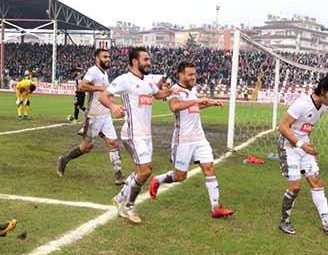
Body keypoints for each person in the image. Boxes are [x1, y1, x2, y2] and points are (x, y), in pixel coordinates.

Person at [149, 62, 234, 218]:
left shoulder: (192, 90)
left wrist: (210, 103)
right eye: (190, 74)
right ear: (181, 75)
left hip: (199, 138)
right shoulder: (174, 91)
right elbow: (175, 107)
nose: (193, 77)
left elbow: (194, 107)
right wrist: (197, 101)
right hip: (183, 140)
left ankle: (216, 208)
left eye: (194, 74)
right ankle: (157, 179)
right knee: (180, 176)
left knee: (209, 168)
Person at [99, 47, 173, 223]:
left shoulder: (148, 80)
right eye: (145, 60)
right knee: (145, 171)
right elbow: (104, 96)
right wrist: (113, 107)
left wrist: (171, 90)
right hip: (132, 133)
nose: (149, 62)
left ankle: (119, 198)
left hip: (146, 134)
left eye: (149, 59)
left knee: (140, 171)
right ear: (134, 62)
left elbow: (159, 95)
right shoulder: (124, 80)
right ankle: (129, 206)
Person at [277, 73, 328, 235]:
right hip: (289, 146)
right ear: (323, 90)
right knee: (295, 187)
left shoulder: (322, 107)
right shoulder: (302, 104)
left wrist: (306, 142)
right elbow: (282, 127)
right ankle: (284, 222)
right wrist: (301, 144)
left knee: (316, 181)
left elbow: (306, 127)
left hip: (304, 147)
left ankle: (327, 222)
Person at [57, 49, 125, 186]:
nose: (108, 59)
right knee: (86, 147)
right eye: (105, 57)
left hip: (105, 116)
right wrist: (99, 88)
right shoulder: (93, 70)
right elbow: (82, 86)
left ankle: (119, 176)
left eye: (109, 57)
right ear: (97, 59)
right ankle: (63, 159)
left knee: (113, 144)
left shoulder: (104, 73)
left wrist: (113, 106)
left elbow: (104, 95)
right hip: (93, 116)